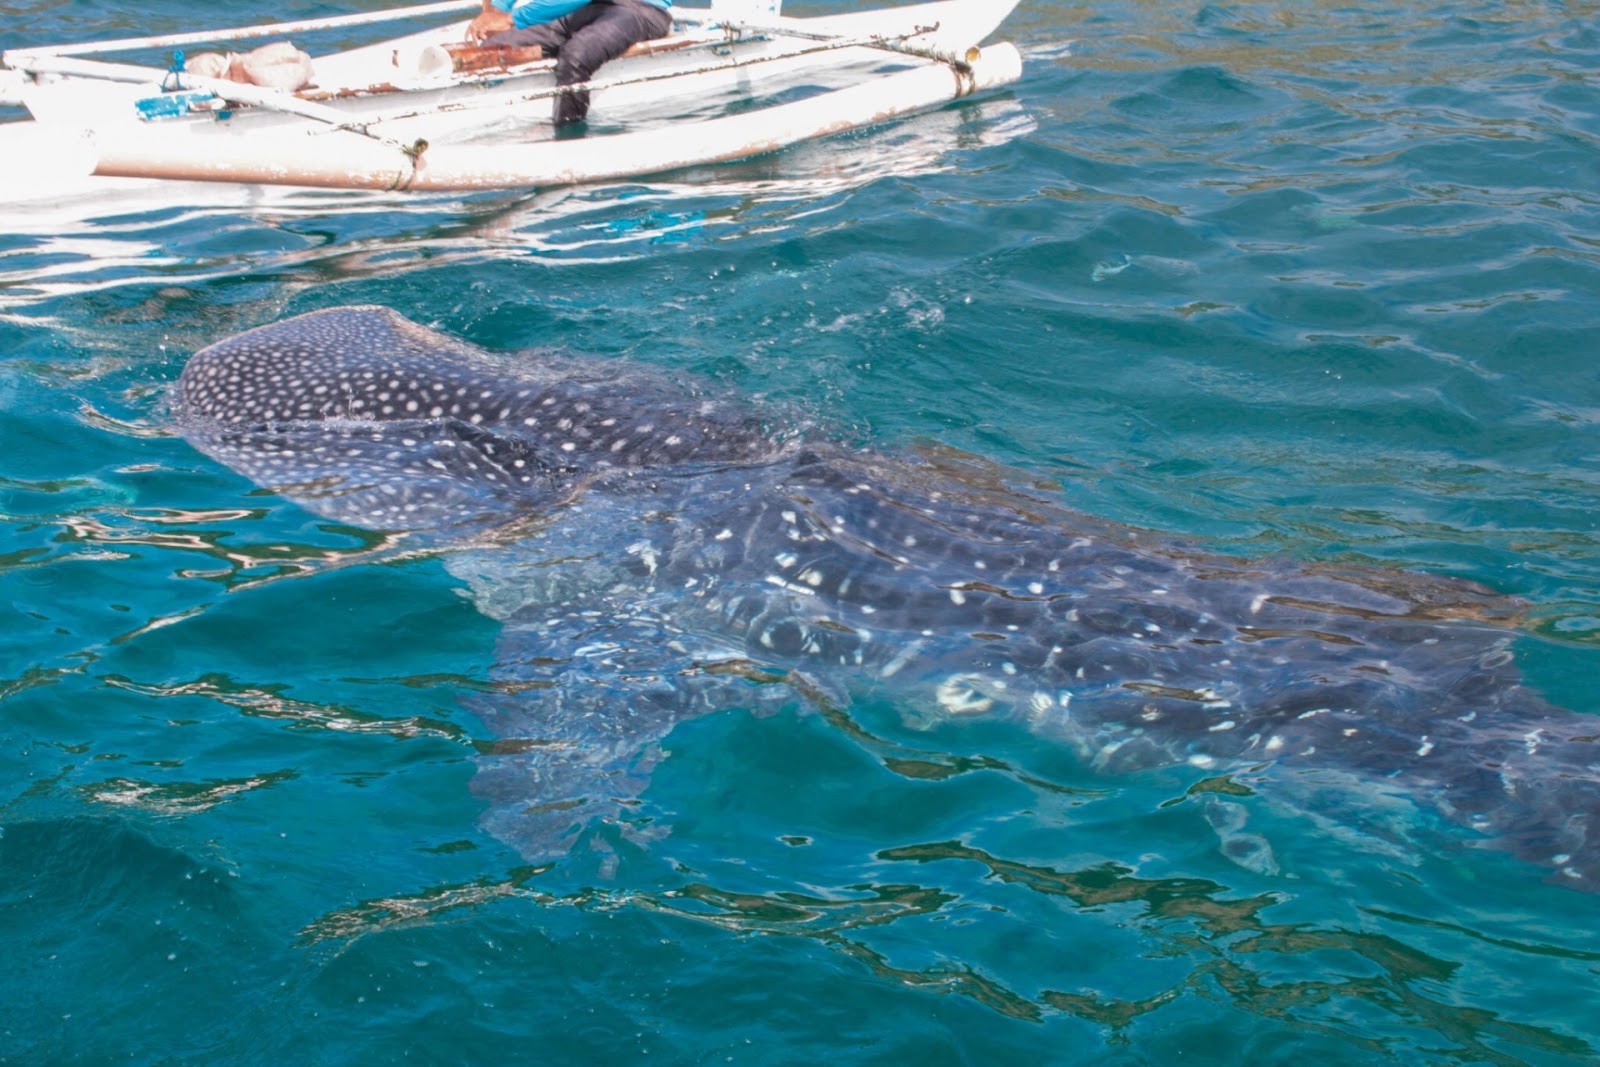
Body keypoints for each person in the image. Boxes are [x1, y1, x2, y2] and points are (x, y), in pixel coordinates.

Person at [467, 0, 674, 128]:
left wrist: (512, 18)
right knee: (495, 45)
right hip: (588, 7)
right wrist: (496, 11)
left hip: (642, 9)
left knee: (577, 53)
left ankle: (568, 131)